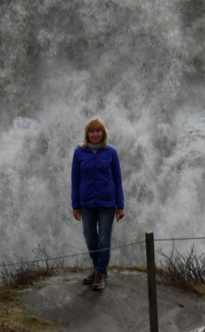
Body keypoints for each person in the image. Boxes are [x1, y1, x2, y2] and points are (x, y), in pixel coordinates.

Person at [71, 117, 125, 291]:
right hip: (86, 203)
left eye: (98, 131)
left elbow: (117, 179)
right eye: (92, 131)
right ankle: (98, 269)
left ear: (103, 133)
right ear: (87, 134)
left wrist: (121, 205)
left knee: (104, 239)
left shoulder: (111, 152)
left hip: (107, 203)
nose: (95, 134)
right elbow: (75, 179)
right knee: (90, 238)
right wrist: (75, 205)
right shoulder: (79, 152)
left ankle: (100, 273)